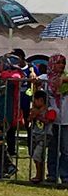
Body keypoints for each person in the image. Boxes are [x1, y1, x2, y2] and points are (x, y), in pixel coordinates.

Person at [0, 55, 23, 178]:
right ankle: (4, 168)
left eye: (1, 63)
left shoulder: (15, 76)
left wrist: (0, 75)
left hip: (5, 114)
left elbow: (16, 78)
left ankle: (6, 167)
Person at [46, 54, 68, 185]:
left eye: (63, 62)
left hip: (66, 120)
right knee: (52, 148)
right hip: (52, 120)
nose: (62, 65)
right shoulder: (46, 79)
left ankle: (65, 175)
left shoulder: (65, 78)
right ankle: (52, 174)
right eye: (59, 62)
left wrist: (64, 80)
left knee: (66, 150)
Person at [28, 89, 55, 184]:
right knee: (35, 156)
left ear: (41, 100)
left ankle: (39, 176)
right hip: (35, 134)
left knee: (37, 155)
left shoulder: (49, 110)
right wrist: (32, 116)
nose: (34, 102)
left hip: (45, 135)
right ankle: (40, 174)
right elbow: (29, 120)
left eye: (35, 100)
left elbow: (50, 120)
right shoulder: (35, 110)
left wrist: (38, 116)